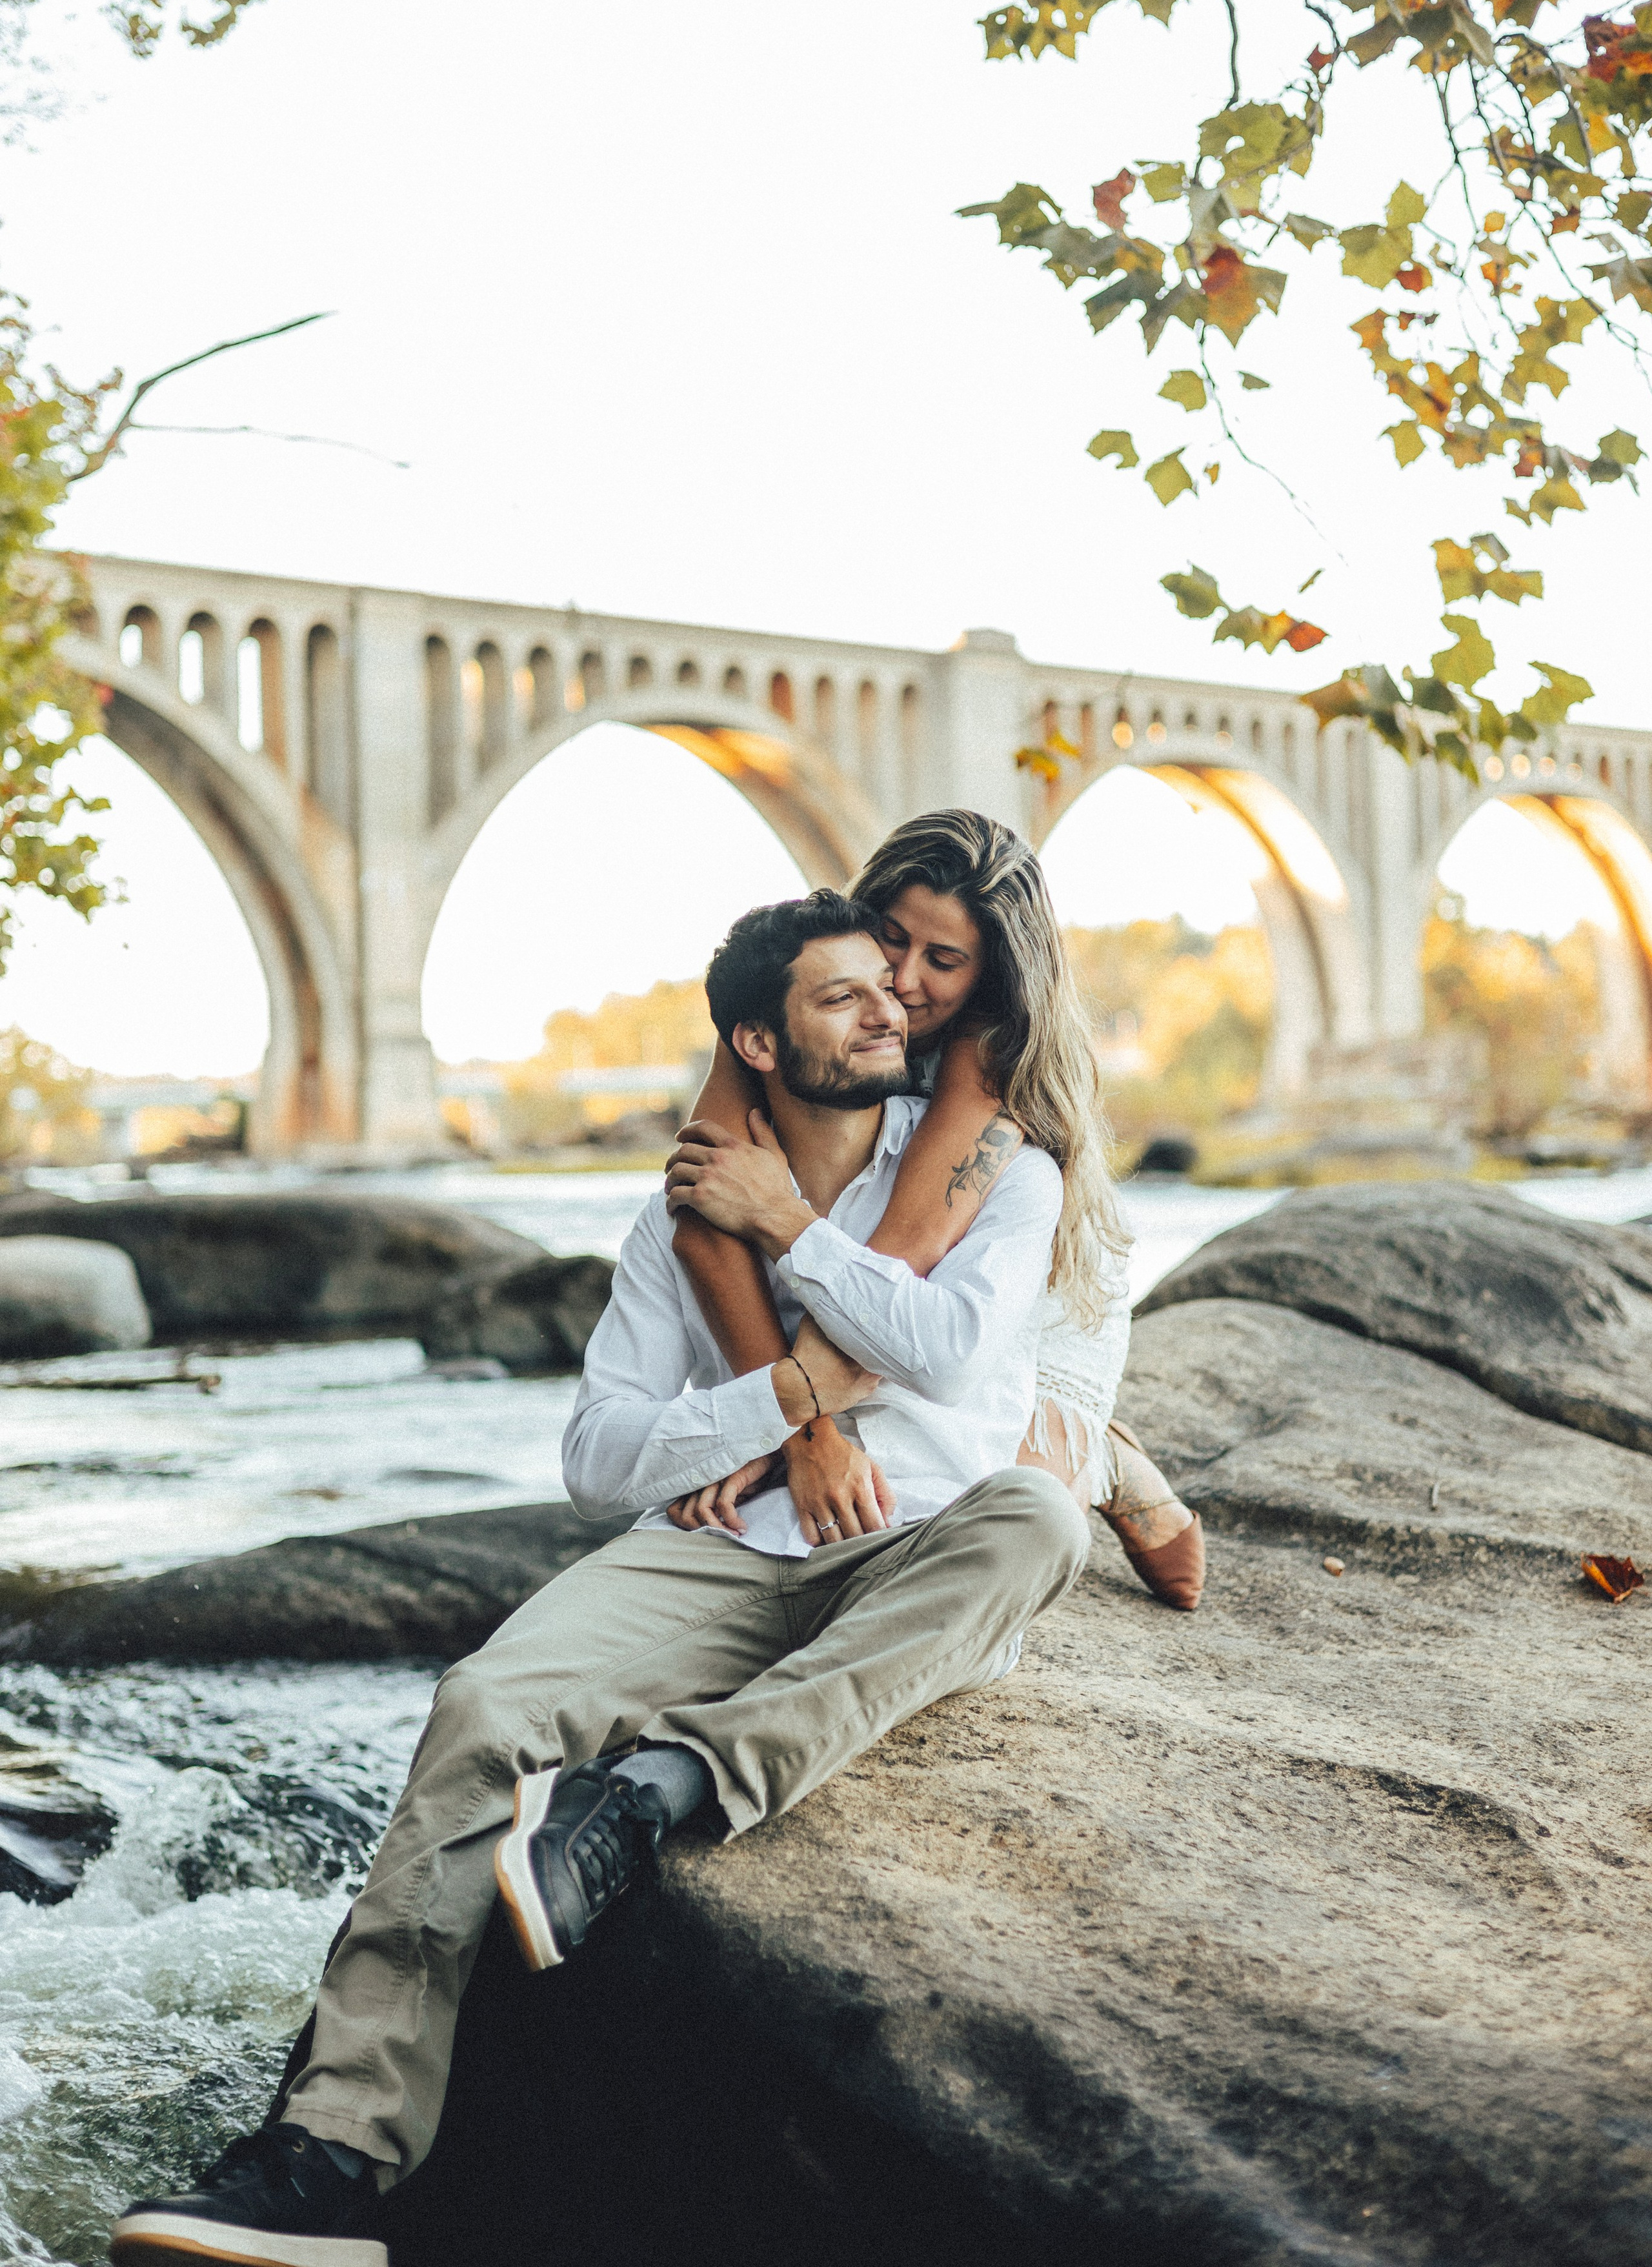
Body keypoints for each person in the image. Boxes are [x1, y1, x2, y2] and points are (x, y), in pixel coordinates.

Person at [108, 889, 1094, 2267]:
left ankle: (654, 1794)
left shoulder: (1003, 1176)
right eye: (842, 996)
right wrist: (780, 1401)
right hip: (723, 1553)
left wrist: (790, 1236)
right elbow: (599, 1458)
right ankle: (330, 2156)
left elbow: (936, 1348)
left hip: (921, 1545)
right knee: (482, 1701)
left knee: (1042, 1528)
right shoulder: (677, 1221)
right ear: (756, 1041)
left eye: (893, 985)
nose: (889, 1010)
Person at [667, 809, 1204, 1611]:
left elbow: (903, 1252)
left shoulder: (994, 1044)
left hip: (1009, 1273)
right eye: (891, 936)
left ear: (988, 977)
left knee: (988, 1517)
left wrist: (796, 1428)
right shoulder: (785, 998)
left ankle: (1105, 1457)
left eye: (944, 960)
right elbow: (706, 1213)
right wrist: (790, 1431)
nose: (906, 979)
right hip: (853, 1269)